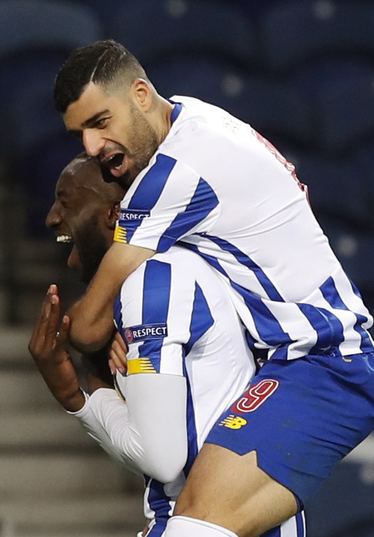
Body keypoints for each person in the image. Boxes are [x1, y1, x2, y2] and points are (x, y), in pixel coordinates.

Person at [52, 40, 374, 537]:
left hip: (326, 364)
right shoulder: (195, 118)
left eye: (100, 123)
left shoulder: (174, 172)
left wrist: (97, 348)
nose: (91, 147)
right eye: (80, 132)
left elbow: (87, 325)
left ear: (141, 94)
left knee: (194, 524)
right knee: (191, 520)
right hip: (297, 365)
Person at [28, 154, 305, 537]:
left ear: (114, 215)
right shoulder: (184, 269)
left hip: (208, 522)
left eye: (66, 200)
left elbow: (160, 459)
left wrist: (86, 394)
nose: (53, 217)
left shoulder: (153, 284)